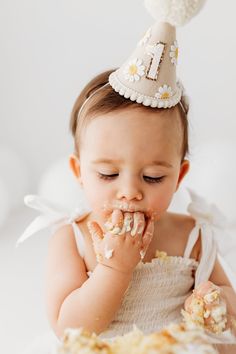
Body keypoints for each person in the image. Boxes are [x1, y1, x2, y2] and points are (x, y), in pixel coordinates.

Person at [18, 1, 236, 353]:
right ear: (79, 173)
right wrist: (113, 269)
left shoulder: (191, 235)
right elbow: (68, 328)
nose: (130, 192)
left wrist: (217, 301)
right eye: (107, 174)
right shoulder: (73, 240)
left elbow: (230, 308)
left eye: (152, 177)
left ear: (179, 177)